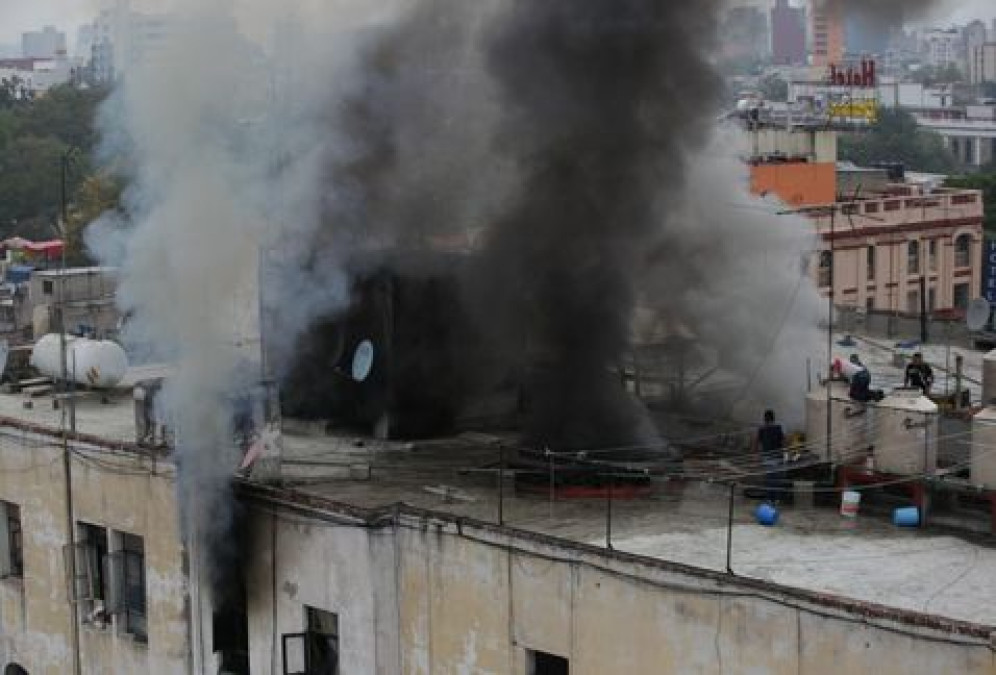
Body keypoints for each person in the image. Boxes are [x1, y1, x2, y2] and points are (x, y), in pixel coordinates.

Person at [754, 410, 785, 502]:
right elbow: (784, 442)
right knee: (777, 478)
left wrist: (756, 455)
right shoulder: (778, 428)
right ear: (773, 418)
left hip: (767, 457)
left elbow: (756, 443)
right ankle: (777, 498)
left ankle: (769, 498)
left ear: (765, 419)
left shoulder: (762, 429)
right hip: (778, 457)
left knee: (769, 478)